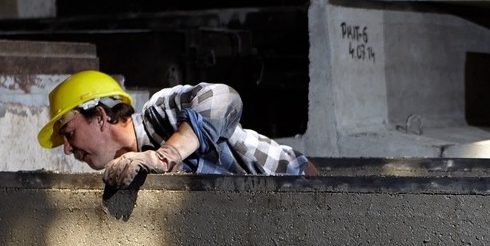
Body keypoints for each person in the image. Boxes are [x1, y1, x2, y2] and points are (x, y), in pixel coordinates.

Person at [37, 71, 316, 185]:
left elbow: (224, 97)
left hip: (301, 183)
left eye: (69, 133)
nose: (68, 148)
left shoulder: (158, 113)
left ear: (99, 116)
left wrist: (166, 154)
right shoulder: (133, 170)